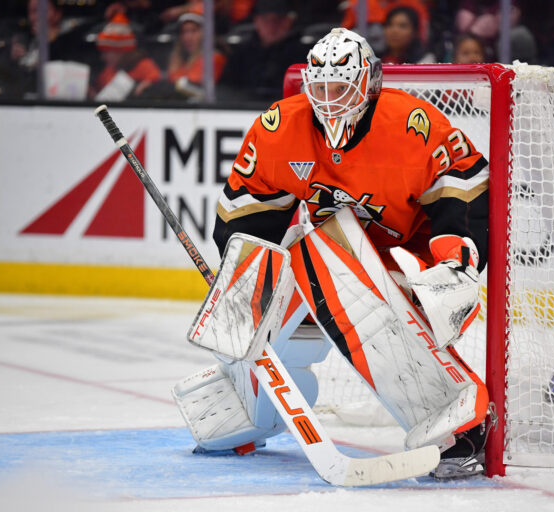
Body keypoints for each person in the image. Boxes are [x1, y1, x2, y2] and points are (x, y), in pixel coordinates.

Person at [174, 27, 490, 480]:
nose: (329, 100)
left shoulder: (410, 124)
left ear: (369, 83)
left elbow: (467, 184)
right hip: (337, 245)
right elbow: (246, 213)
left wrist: (456, 260)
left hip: (414, 242)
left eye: (340, 87)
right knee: (284, 278)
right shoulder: (280, 127)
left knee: (344, 273)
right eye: (320, 88)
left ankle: (459, 424)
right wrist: (245, 279)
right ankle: (250, 410)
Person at [91, 13, 161, 100]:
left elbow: (156, 92)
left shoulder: (146, 68)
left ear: (121, 51)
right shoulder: (110, 70)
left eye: (106, 52)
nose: (102, 57)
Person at [167, 4, 227, 89]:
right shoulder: (181, 59)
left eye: (194, 31)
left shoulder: (213, 58)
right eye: (184, 32)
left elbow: (192, 86)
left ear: (205, 33)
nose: (188, 37)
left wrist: (175, 73)